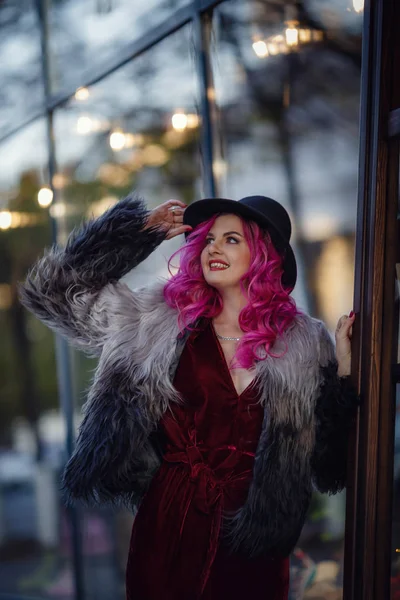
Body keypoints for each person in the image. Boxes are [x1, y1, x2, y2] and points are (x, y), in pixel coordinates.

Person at [20, 193, 358, 600]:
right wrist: (139, 233)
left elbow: (331, 465)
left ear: (265, 254)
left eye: (232, 239)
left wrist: (345, 371)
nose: (213, 247)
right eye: (209, 238)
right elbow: (51, 290)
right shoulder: (158, 320)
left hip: (256, 536)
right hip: (169, 523)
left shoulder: (305, 342)